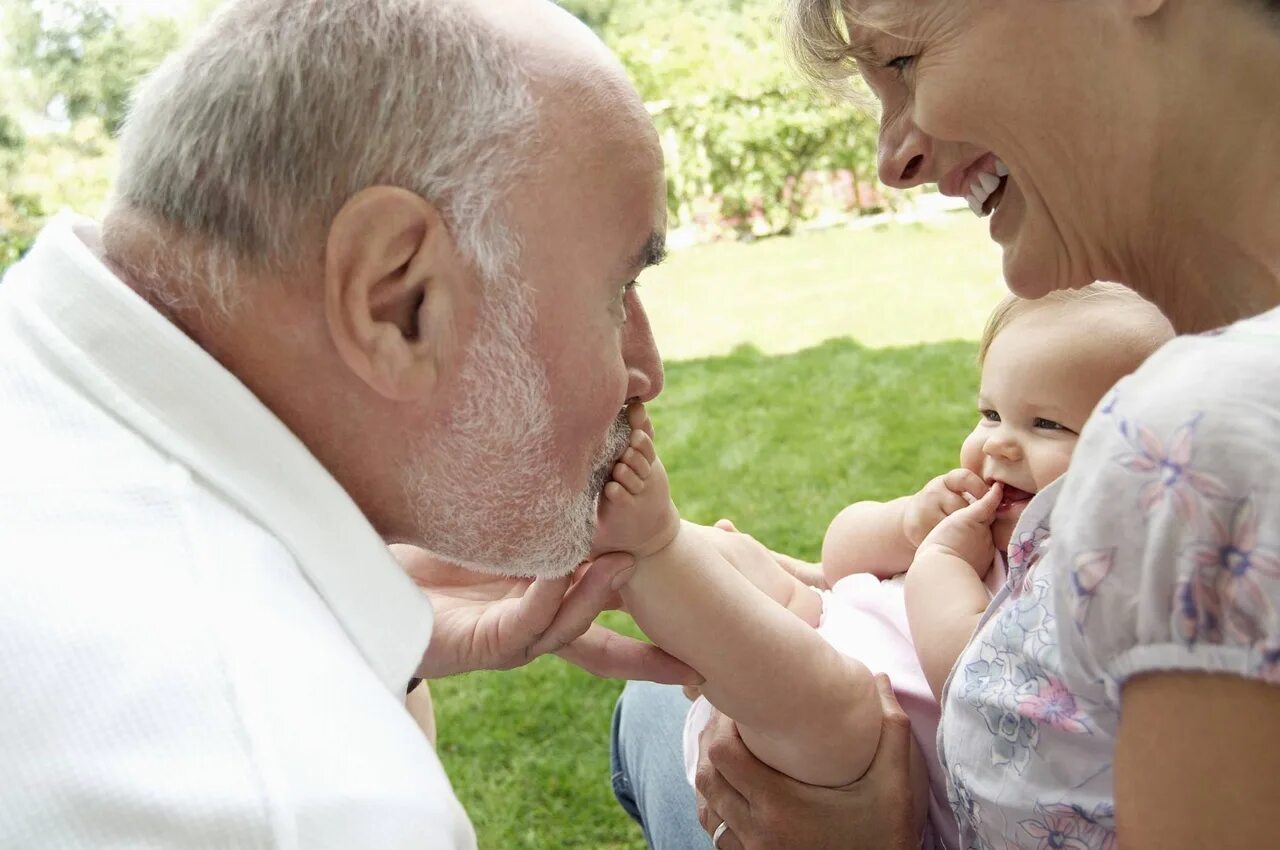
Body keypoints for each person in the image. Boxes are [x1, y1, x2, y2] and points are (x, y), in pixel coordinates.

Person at [0, 0, 701, 845]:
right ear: (395, 300)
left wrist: (354, 622)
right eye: (618, 290)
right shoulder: (301, 800)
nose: (646, 369)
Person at [615, 0, 1280, 847]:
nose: (895, 158)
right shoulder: (1180, 420)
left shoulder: (1195, 444)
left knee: (648, 706)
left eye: (903, 64)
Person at [607, 285, 1172, 849]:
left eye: (1048, 425)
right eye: (991, 413)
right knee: (743, 563)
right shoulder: (987, 514)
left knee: (826, 700)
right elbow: (839, 558)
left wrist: (942, 560)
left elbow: (975, 678)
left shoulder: (1090, 582)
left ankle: (653, 549)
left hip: (857, 768)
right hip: (818, 626)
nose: (999, 444)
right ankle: (615, 550)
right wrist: (907, 524)